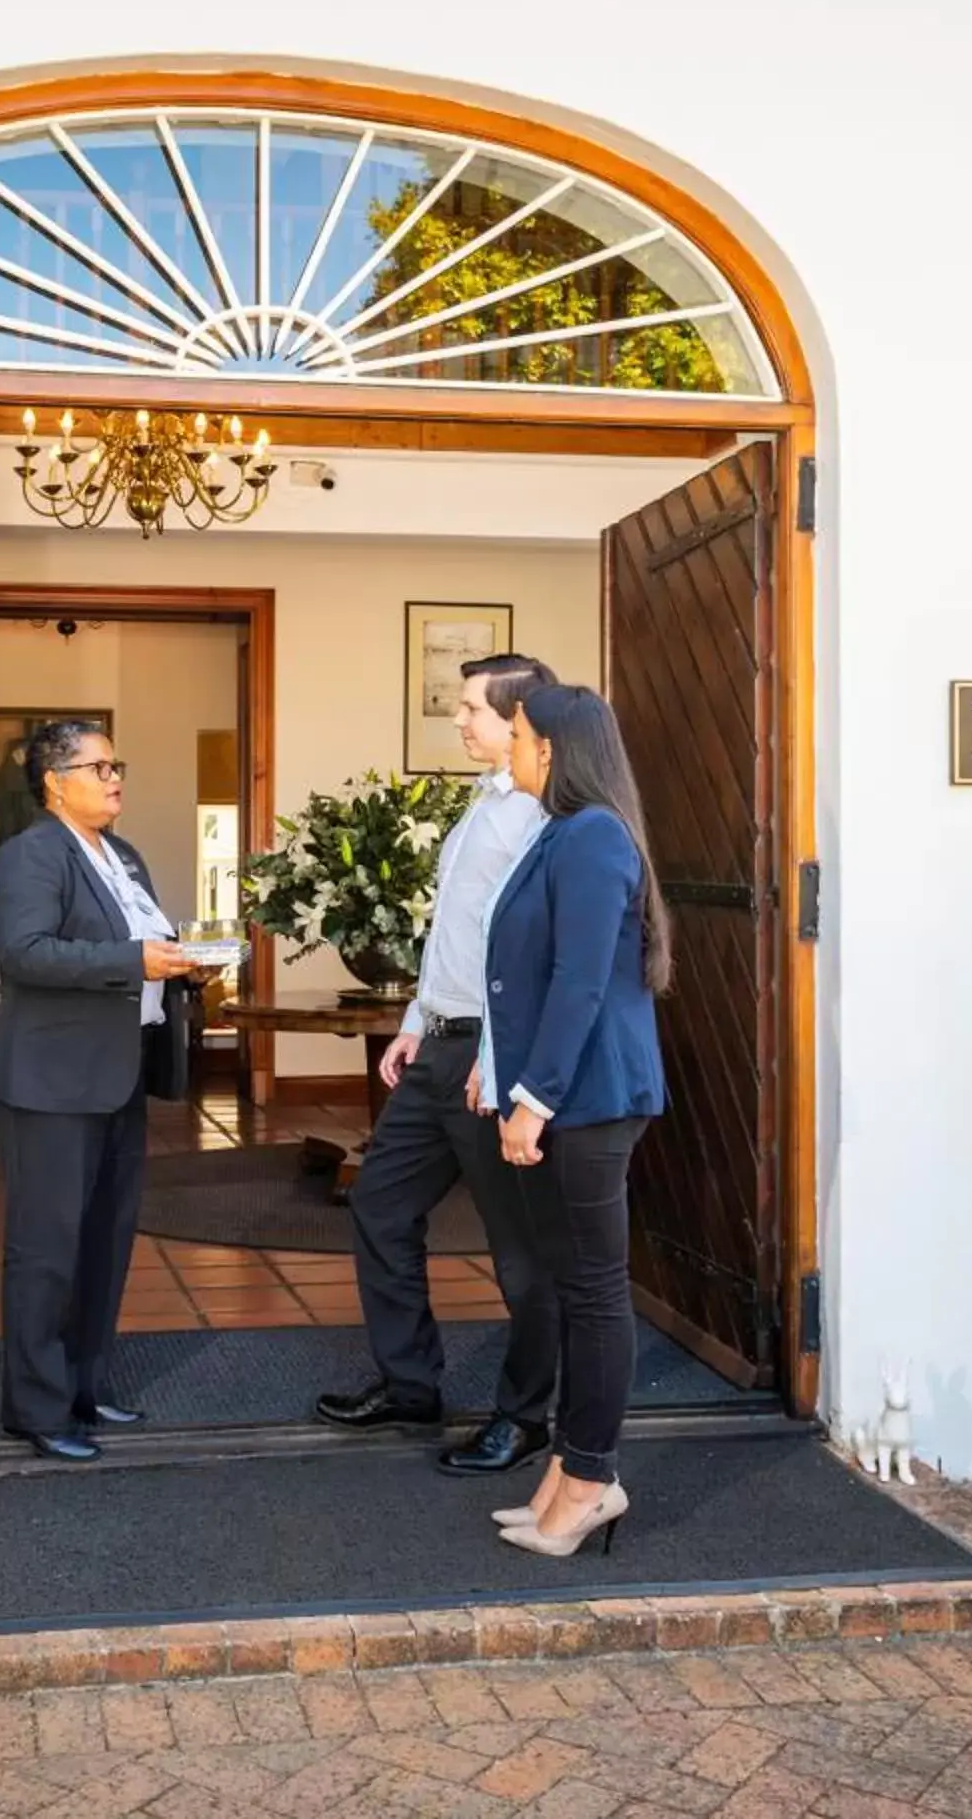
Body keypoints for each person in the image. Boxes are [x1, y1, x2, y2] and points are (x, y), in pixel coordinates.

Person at [313, 654, 565, 1476]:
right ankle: (409, 1383)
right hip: (439, 1047)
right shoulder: (478, 806)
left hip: (492, 1058)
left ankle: (526, 1415)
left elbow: (529, 957)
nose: (457, 721)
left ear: (519, 720)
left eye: (471, 710)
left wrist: (493, 1059)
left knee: (520, 1251)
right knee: (380, 1206)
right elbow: (455, 937)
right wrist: (416, 1021)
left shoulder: (536, 816)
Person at [475, 684, 670, 1557]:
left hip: (588, 1100)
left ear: (550, 746)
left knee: (593, 1294)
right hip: (569, 1096)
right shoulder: (564, 830)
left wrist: (534, 1098)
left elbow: (580, 981)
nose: (508, 746)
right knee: (574, 1285)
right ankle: (568, 1468)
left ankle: (590, 1480)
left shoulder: (592, 836)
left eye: (515, 733)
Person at [0, 719, 201, 1462]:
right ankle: (37, 1408)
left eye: (118, 765)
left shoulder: (123, 855)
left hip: (119, 1074)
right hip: (50, 1082)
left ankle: (85, 1384)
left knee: (105, 1240)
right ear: (54, 780)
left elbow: (139, 942)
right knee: (47, 1249)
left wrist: (182, 959)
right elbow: (27, 953)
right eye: (99, 766)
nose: (116, 779)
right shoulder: (31, 855)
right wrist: (135, 960)